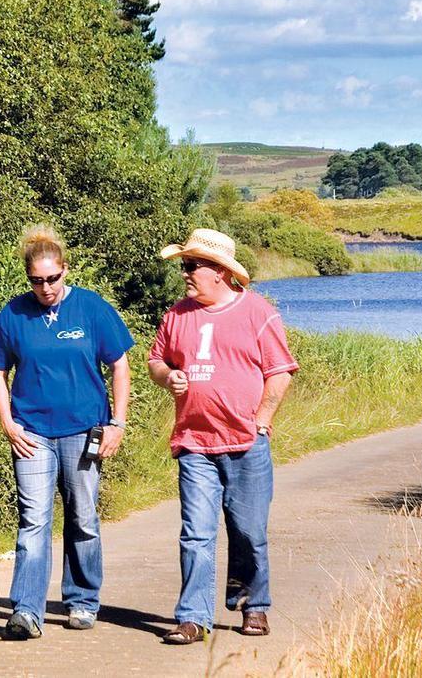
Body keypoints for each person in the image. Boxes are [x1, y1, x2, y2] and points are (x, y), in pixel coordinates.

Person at [0, 224, 134, 640]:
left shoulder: (91, 308)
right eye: (36, 280)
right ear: (27, 277)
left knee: (83, 517)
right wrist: (8, 423)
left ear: (65, 270)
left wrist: (117, 422)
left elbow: (119, 364)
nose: (45, 287)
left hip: (85, 429)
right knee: (33, 520)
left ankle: (82, 599)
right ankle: (27, 610)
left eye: (53, 278)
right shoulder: (14, 314)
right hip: (32, 432)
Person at [148, 228, 298, 645]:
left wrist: (263, 418)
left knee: (249, 531)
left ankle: (255, 605)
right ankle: (193, 617)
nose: (185, 274)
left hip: (246, 443)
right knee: (196, 533)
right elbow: (156, 361)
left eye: (192, 266)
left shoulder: (257, 312)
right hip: (194, 442)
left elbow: (280, 370)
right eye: (184, 266)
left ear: (219, 272)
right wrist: (169, 376)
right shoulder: (176, 315)